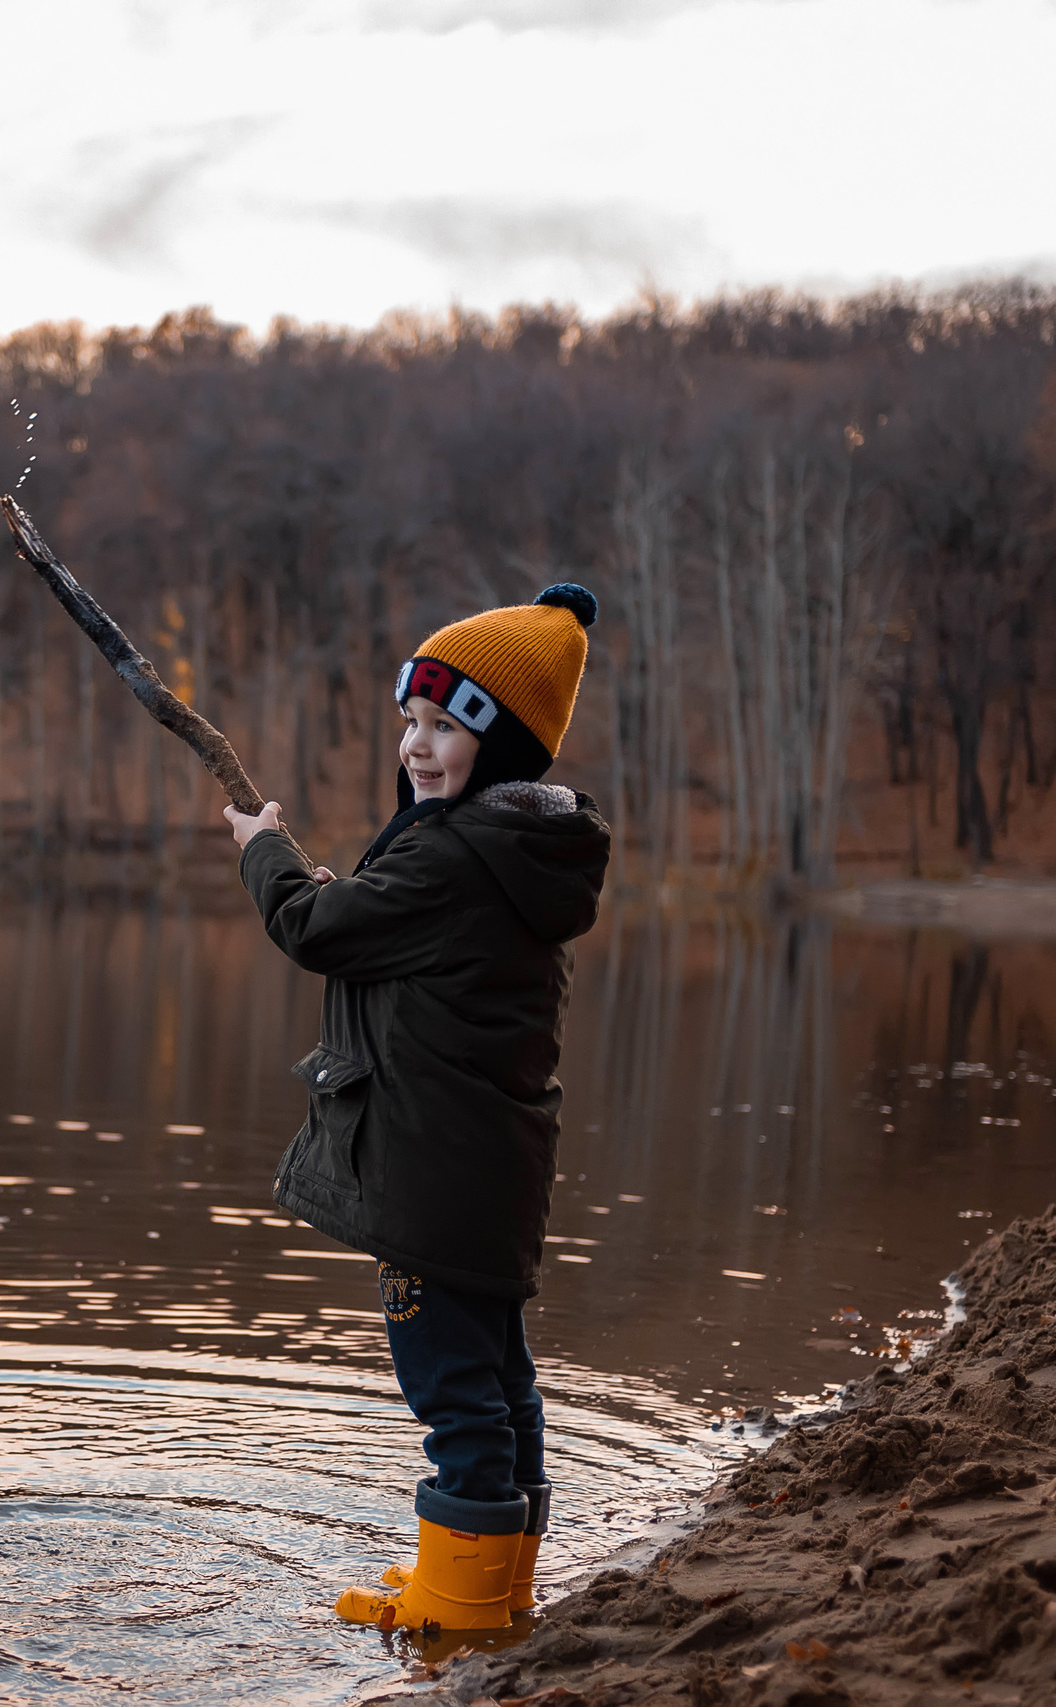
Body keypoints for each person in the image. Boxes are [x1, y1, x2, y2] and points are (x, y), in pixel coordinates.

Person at [222, 584, 610, 1633]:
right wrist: (339, 887)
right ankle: (495, 1578)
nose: (417, 745)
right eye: (412, 720)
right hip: (491, 1174)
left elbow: (312, 930)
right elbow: (384, 928)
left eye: (446, 725)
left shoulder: (448, 855)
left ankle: (465, 1604)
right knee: (498, 1378)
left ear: (506, 744)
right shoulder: (514, 852)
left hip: (433, 1182)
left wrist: (262, 848)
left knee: (451, 1389)